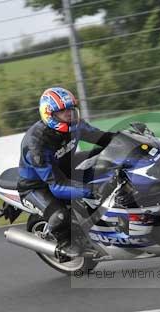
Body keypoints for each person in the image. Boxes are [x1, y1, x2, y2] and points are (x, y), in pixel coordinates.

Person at [17, 87, 114, 257]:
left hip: (65, 168)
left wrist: (129, 139)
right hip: (38, 185)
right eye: (64, 112)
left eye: (71, 110)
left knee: (106, 161)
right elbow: (56, 185)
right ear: (50, 115)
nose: (70, 114)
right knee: (61, 216)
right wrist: (92, 191)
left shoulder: (75, 125)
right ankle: (64, 245)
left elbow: (103, 138)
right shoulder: (36, 144)